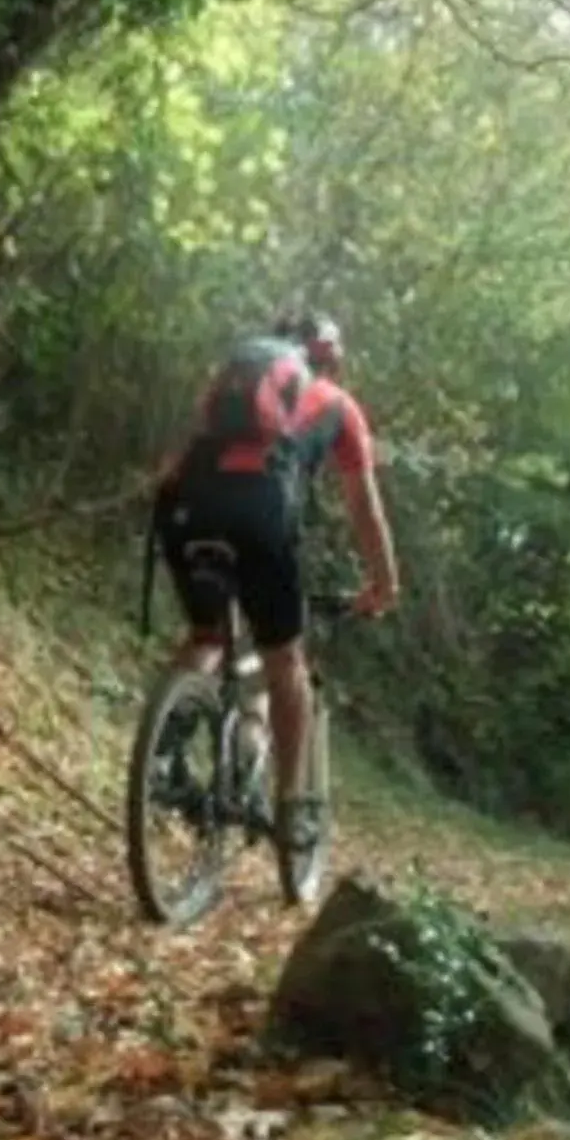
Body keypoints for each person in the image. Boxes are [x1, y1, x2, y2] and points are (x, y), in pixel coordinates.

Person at [149, 309, 401, 858]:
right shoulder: (336, 404)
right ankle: (290, 809)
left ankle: (161, 751)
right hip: (260, 509)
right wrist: (384, 583)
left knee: (207, 637)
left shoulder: (230, 385)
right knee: (286, 661)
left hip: (185, 505)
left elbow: (174, 460)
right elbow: (365, 509)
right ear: (329, 360)